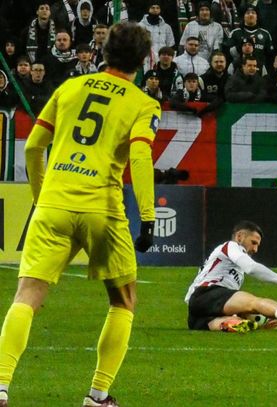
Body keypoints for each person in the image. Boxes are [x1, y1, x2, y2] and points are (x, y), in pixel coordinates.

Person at [0, 22, 159, 407]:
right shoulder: (143, 103)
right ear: (142, 60)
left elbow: (32, 148)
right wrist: (148, 216)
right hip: (102, 210)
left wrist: (41, 198)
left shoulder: (69, 88)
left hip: (53, 204)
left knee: (27, 295)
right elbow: (140, 156)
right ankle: (98, 395)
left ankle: (0, 384)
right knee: (123, 300)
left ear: (104, 53)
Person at [185, 220, 277, 332]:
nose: (255, 249)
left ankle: (227, 324)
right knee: (254, 302)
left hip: (196, 312)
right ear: (239, 236)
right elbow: (252, 268)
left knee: (234, 320)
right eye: (253, 243)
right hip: (207, 293)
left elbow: (223, 301)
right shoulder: (231, 246)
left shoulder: (228, 266)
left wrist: (261, 322)